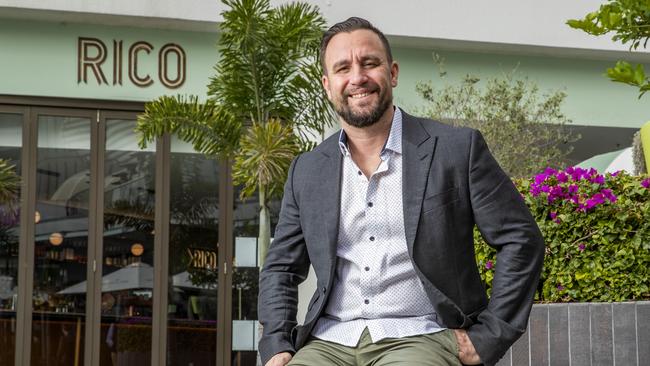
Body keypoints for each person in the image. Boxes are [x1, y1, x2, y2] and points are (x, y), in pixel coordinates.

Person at [258, 17, 544, 366]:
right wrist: (277, 345)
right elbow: (281, 268)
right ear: (327, 85)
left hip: (421, 336)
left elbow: (521, 239)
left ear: (392, 73)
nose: (357, 77)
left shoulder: (456, 149)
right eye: (343, 68)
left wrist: (489, 336)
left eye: (369, 63)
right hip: (329, 341)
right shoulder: (307, 170)